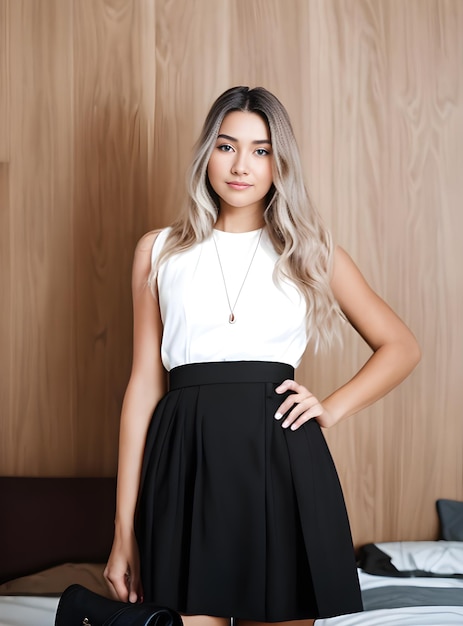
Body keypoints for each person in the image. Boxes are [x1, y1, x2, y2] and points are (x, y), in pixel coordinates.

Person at [104, 86, 421, 626]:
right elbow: (143, 387)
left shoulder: (311, 251)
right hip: (183, 465)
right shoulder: (158, 251)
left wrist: (333, 407)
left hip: (281, 465)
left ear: (280, 162)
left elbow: (401, 346)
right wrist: (122, 529)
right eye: (227, 147)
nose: (241, 165)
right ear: (207, 153)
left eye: (261, 149)